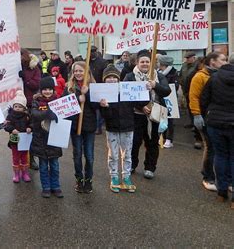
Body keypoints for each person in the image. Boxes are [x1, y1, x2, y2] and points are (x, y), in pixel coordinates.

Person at [124, 50, 171, 180]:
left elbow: (167, 91)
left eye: (147, 61)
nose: (145, 64)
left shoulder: (159, 76)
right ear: (137, 63)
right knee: (134, 142)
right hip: (136, 115)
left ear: (151, 63)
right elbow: (125, 95)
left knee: (152, 142)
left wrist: (155, 85)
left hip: (154, 115)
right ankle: (132, 164)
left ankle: (150, 167)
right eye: (142, 62)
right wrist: (141, 106)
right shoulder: (130, 76)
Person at [189, 52, 227, 191]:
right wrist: (196, 114)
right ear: (212, 62)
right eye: (222, 59)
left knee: (219, 149)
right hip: (204, 117)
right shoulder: (200, 76)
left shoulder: (219, 76)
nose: (225, 62)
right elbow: (193, 97)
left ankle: (220, 177)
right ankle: (207, 176)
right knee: (210, 147)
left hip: (215, 117)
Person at [201, 55, 234, 209]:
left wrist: (208, 115)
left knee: (220, 155)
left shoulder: (214, 78)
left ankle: (222, 192)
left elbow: (204, 99)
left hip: (215, 122)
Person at [99, 65, 136, 193]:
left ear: (118, 79)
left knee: (127, 154)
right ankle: (114, 177)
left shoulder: (126, 90)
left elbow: (140, 102)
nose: (111, 80)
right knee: (113, 154)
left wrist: (147, 90)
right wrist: (105, 107)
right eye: (108, 77)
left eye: (114, 77)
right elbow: (105, 117)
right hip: (112, 128)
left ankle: (126, 177)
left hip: (128, 127)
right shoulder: (103, 94)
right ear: (104, 80)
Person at [64, 61, 98, 193]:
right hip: (75, 126)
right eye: (75, 71)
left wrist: (88, 95)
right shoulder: (69, 87)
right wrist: (78, 99)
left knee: (89, 156)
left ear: (86, 72)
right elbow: (65, 105)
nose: (78, 73)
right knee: (77, 154)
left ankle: (88, 180)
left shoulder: (93, 86)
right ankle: (79, 179)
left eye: (80, 71)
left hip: (89, 126)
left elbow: (97, 106)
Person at [31, 77, 63, 198]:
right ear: (41, 90)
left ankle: (56, 186)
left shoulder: (58, 101)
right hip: (40, 140)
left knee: (55, 166)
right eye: (45, 89)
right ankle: (46, 187)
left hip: (55, 139)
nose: (47, 92)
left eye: (50, 89)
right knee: (43, 167)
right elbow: (34, 114)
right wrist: (46, 113)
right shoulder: (36, 101)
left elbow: (65, 116)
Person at [4, 90, 32, 183]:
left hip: (24, 140)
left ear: (24, 108)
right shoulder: (10, 116)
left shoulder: (27, 116)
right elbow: (6, 126)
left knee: (24, 157)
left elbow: (31, 124)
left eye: (20, 107)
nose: (17, 108)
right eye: (16, 106)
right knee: (15, 157)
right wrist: (12, 129)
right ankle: (16, 174)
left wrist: (29, 128)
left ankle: (25, 173)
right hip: (14, 141)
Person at [20, 49, 41, 170]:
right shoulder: (17, 67)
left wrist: (25, 79)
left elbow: (36, 84)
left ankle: (31, 158)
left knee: (30, 131)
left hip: (29, 103)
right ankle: (21, 158)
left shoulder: (34, 68)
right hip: (19, 104)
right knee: (20, 132)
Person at [158, 55, 179, 148]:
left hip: (170, 99)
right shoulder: (158, 72)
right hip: (160, 98)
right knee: (160, 118)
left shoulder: (173, 73)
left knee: (169, 119)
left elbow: (175, 86)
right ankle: (162, 136)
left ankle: (169, 139)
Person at [185, 57, 204, 149]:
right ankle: (198, 139)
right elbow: (186, 83)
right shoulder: (195, 74)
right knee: (197, 118)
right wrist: (187, 95)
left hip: (205, 101)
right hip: (195, 99)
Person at [179, 51, 197, 129]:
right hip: (185, 89)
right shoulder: (184, 66)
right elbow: (180, 76)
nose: (187, 60)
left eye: (188, 58)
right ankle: (191, 122)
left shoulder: (197, 66)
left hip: (194, 89)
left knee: (194, 107)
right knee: (189, 107)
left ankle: (196, 124)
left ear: (193, 58)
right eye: (186, 58)